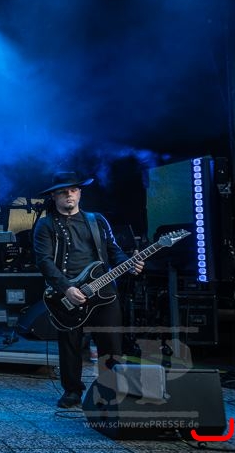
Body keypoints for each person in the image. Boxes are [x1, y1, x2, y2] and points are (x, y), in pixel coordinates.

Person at [32, 171, 143, 409]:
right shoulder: (45, 225)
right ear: (54, 196)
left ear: (80, 193)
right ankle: (72, 391)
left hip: (104, 290)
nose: (69, 195)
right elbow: (44, 261)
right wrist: (66, 288)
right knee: (70, 344)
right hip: (69, 292)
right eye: (63, 191)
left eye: (73, 190)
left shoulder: (97, 220)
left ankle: (110, 392)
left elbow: (113, 251)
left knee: (111, 344)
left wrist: (129, 264)